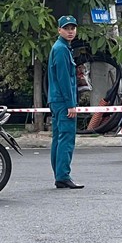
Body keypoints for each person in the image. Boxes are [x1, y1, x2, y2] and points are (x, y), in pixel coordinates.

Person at [48, 15, 83, 189]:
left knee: (58, 138)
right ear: (59, 30)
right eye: (66, 28)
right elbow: (64, 79)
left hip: (56, 100)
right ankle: (63, 175)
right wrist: (71, 104)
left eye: (73, 28)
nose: (70, 31)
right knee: (66, 138)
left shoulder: (61, 47)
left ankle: (59, 175)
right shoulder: (61, 49)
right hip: (63, 101)